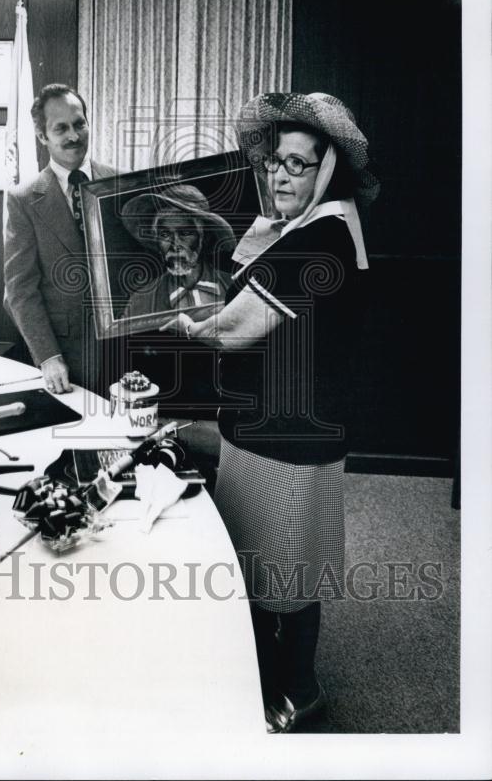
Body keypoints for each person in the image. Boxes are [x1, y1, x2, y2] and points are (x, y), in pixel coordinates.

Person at [161, 92, 379, 733]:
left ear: (328, 171)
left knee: (291, 567)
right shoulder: (305, 230)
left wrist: (191, 327)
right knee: (262, 563)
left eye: (298, 165)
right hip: (261, 429)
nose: (282, 175)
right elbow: (238, 291)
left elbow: (233, 331)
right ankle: (260, 673)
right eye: (276, 162)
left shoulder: (319, 241)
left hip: (289, 438)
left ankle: (301, 689)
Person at [3, 84, 115, 393]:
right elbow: (20, 290)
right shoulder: (23, 199)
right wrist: (48, 357)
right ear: (42, 137)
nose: (74, 136)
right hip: (66, 354)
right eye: (61, 128)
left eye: (79, 124)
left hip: (125, 348)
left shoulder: (120, 182)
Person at [119, 184, 235, 320]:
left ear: (203, 237)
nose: (175, 245)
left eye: (185, 233)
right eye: (165, 235)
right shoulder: (140, 302)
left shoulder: (235, 288)